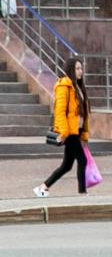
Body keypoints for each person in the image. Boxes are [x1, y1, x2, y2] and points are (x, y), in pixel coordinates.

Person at [34, 56, 90, 197]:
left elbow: (83, 113)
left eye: (81, 68)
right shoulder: (63, 86)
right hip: (69, 132)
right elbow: (60, 111)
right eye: (77, 68)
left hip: (76, 131)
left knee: (66, 166)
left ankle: (43, 187)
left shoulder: (78, 87)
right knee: (82, 161)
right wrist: (64, 132)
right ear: (70, 69)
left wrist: (84, 133)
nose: (80, 71)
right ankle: (82, 193)